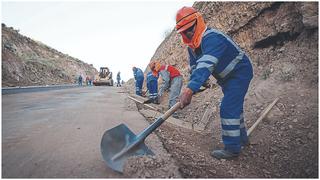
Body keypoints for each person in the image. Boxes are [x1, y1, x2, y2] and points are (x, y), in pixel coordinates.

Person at [176, 7, 253, 159]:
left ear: (197, 23)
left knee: (228, 107)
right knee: (235, 107)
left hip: (239, 73)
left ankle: (232, 149)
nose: (188, 34)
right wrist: (199, 81)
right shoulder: (192, 47)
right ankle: (243, 140)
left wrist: (189, 90)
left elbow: (206, 64)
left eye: (189, 29)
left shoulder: (212, 37)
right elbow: (196, 67)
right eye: (184, 32)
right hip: (226, 78)